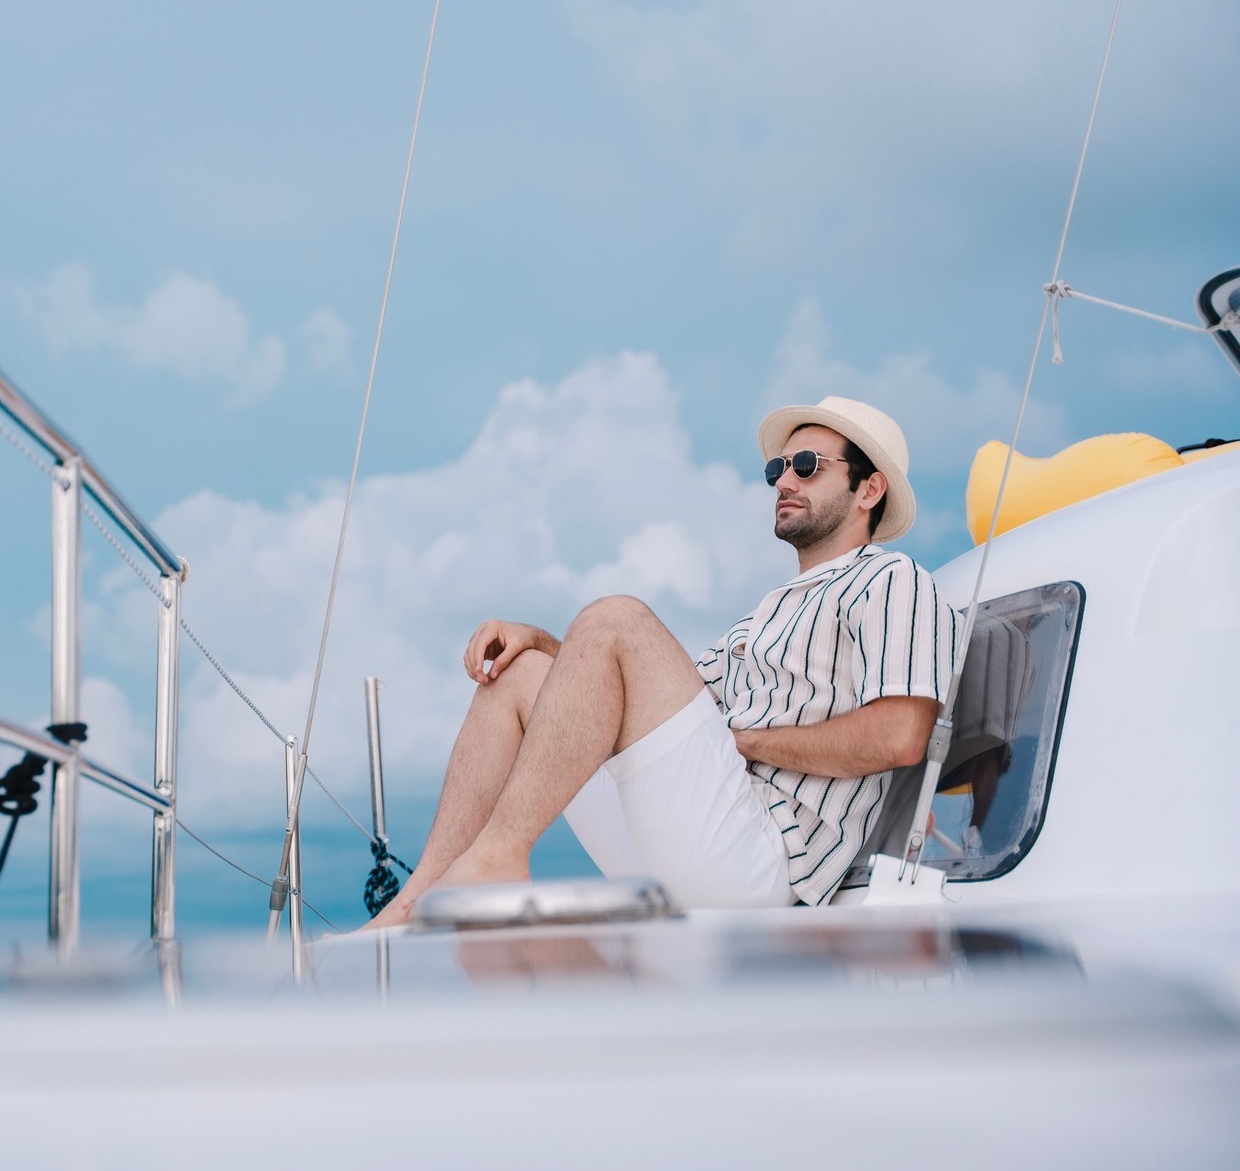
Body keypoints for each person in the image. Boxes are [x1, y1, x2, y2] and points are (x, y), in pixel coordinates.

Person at [366, 396, 958, 925]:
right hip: (696, 831)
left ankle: (497, 857)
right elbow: (642, 702)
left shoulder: (890, 580)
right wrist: (542, 642)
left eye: (806, 467)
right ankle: (418, 895)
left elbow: (903, 734)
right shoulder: (765, 616)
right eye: (778, 469)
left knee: (617, 616)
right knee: (516, 673)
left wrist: (748, 742)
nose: (783, 482)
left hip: (764, 858)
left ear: (869, 490)